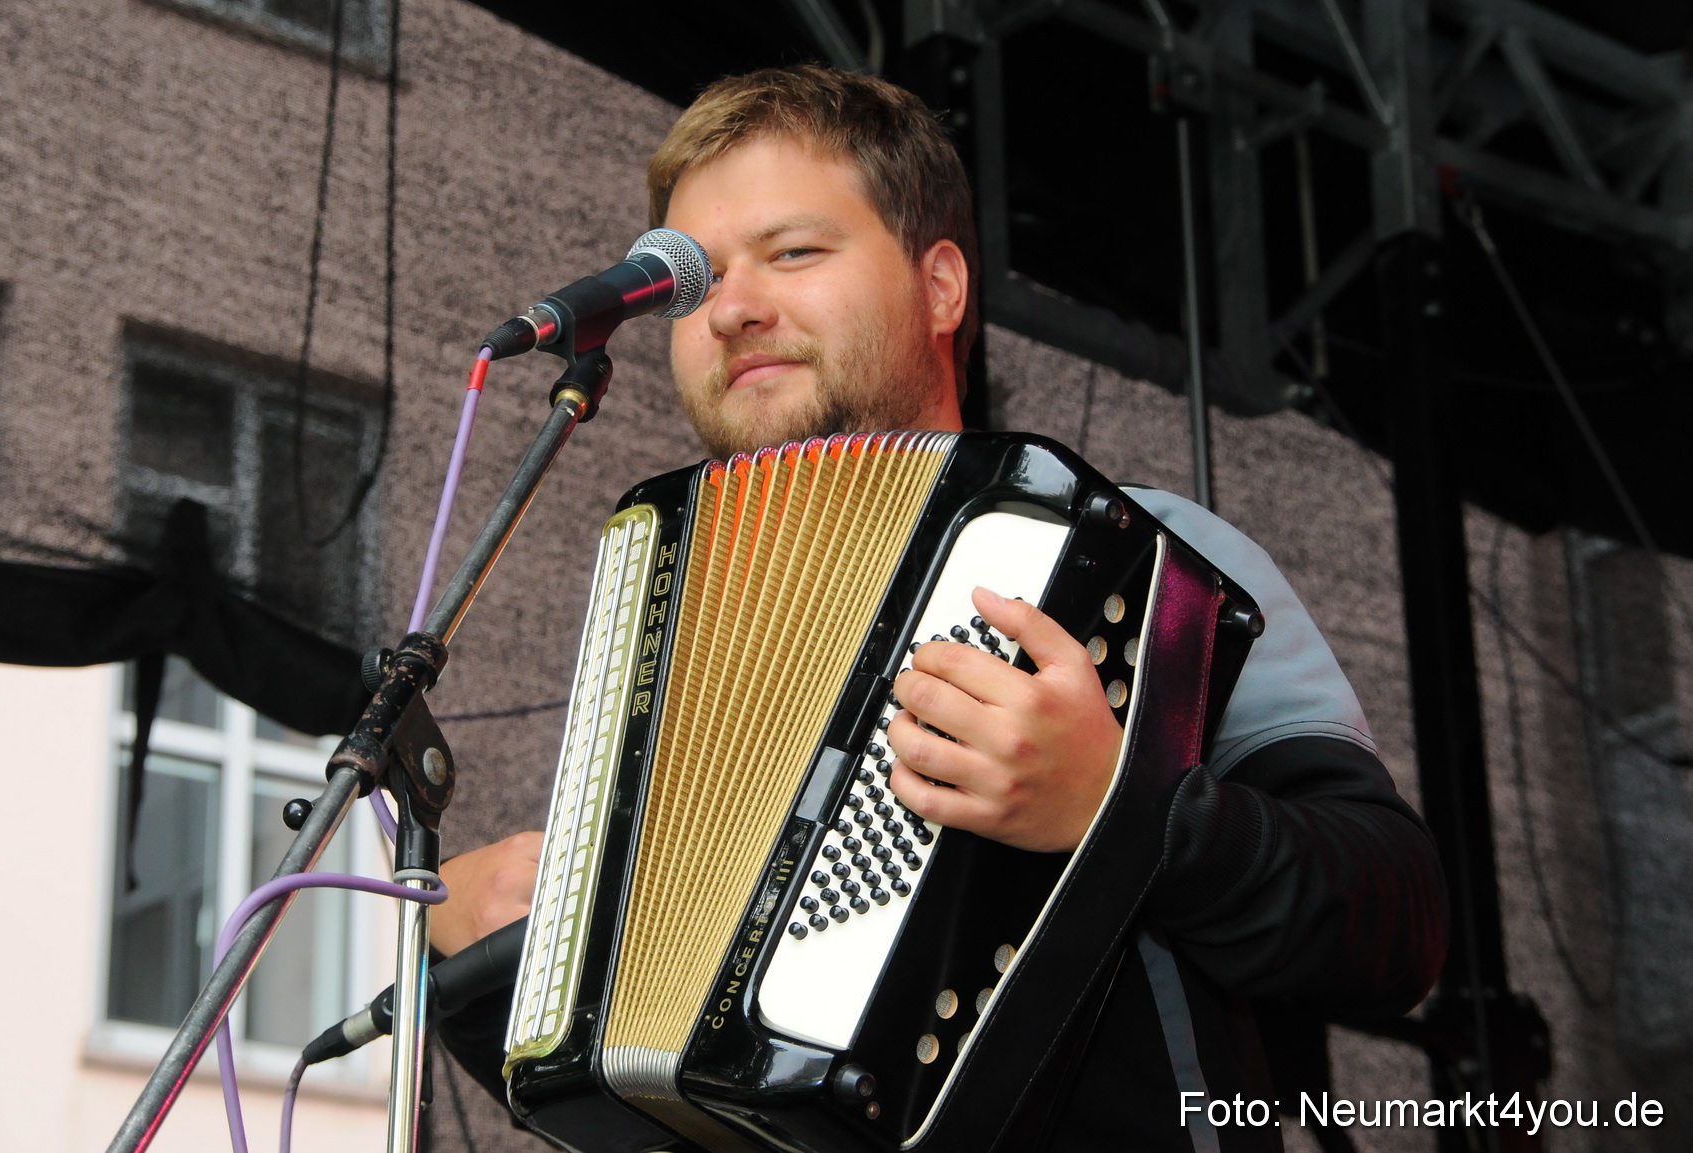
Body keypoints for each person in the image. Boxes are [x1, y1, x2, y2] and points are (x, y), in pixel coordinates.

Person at [433, 65, 1447, 1152]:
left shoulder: (1154, 554)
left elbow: (1395, 927)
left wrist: (1124, 809)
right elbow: (651, 1092)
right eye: (692, 282)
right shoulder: (674, 633)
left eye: (794, 251)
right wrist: (487, 967)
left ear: (942, 287)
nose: (730, 307)